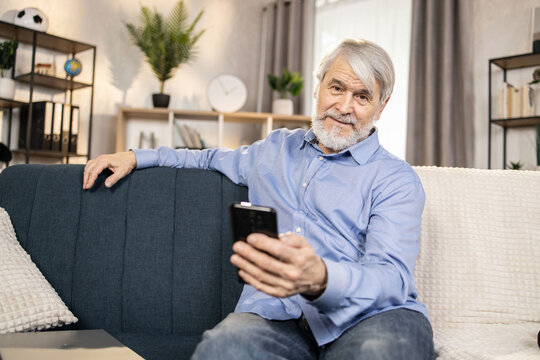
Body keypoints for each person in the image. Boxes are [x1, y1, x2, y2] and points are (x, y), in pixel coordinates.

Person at [83, 39, 434, 360]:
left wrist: (322, 278)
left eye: (362, 96)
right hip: (275, 314)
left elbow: (392, 278)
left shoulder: (395, 179)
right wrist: (135, 156)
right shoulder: (274, 149)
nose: (343, 106)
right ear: (318, 87)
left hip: (369, 317)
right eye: (336, 88)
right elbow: (205, 158)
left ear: (381, 106)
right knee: (223, 349)